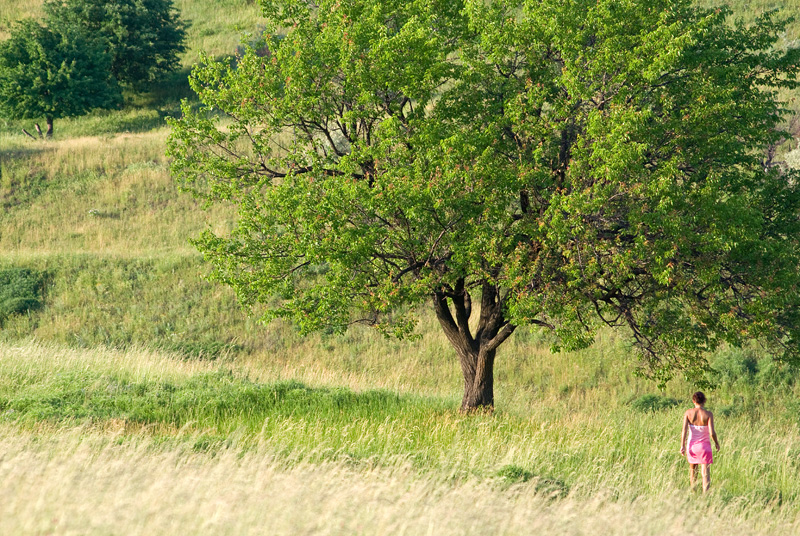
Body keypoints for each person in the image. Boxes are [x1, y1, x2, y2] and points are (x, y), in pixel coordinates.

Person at [680, 391, 720, 492]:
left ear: (693, 401)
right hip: (705, 447)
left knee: (693, 472)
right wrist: (716, 443)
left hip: (692, 446)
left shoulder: (688, 413)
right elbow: (712, 432)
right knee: (705, 474)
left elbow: (684, 430)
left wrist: (682, 446)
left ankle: (694, 493)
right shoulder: (708, 414)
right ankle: (705, 496)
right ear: (704, 401)